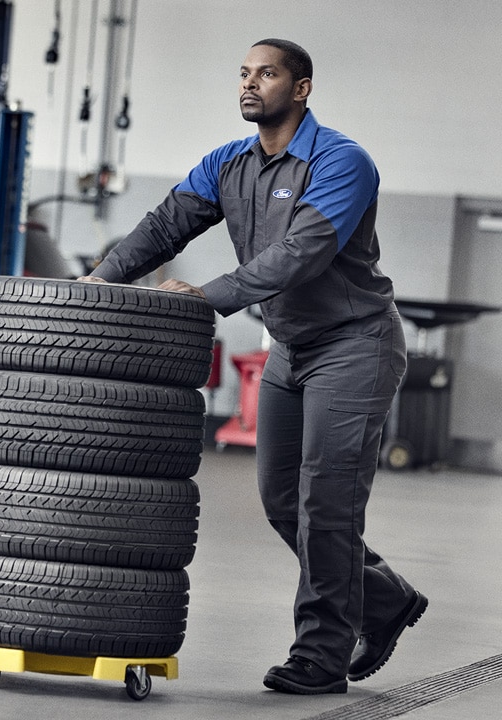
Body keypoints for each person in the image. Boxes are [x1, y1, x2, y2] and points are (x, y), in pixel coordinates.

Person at [79, 38, 427, 695]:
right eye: (243, 73)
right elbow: (165, 225)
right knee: (281, 502)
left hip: (355, 346)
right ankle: (383, 599)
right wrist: (97, 284)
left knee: (326, 502)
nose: (249, 83)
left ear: (300, 90)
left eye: (266, 74)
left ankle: (321, 657)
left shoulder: (343, 162)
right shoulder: (227, 163)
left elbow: (301, 255)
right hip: (290, 348)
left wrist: (205, 297)